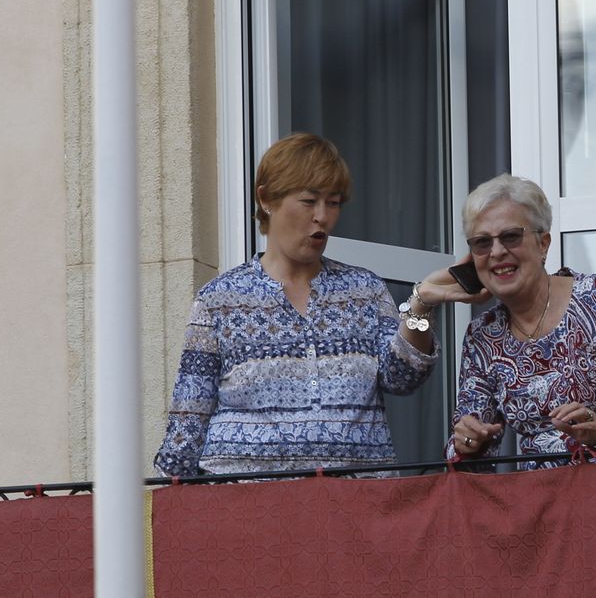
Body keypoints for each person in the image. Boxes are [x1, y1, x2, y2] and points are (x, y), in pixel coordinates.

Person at [153, 133, 457, 477]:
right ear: (267, 199)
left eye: (334, 203)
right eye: (309, 201)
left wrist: (420, 307)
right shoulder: (218, 299)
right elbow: (188, 418)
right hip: (245, 510)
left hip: (357, 506)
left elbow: (403, 377)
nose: (323, 217)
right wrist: (170, 509)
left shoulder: (365, 289)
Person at [421, 174, 596, 468]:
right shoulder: (484, 337)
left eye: (511, 236)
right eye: (482, 243)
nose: (497, 252)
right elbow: (468, 454)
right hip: (544, 505)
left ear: (543, 244)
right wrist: (468, 443)